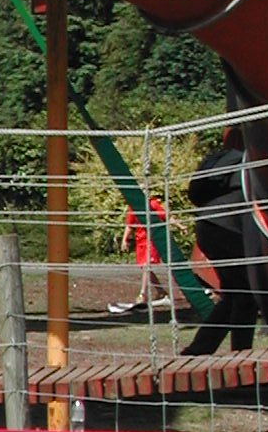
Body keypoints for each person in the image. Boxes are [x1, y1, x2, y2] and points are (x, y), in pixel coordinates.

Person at [183, 138, 258, 355]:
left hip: (208, 226)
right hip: (226, 229)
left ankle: (200, 348)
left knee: (236, 293)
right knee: (247, 293)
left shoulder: (236, 167)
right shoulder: (257, 167)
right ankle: (242, 354)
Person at [109, 194, 170, 316]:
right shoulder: (133, 207)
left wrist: (180, 225)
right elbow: (129, 225)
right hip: (140, 241)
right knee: (144, 267)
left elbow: (166, 216)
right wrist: (124, 240)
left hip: (152, 240)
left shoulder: (153, 204)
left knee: (147, 266)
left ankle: (143, 294)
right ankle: (161, 291)